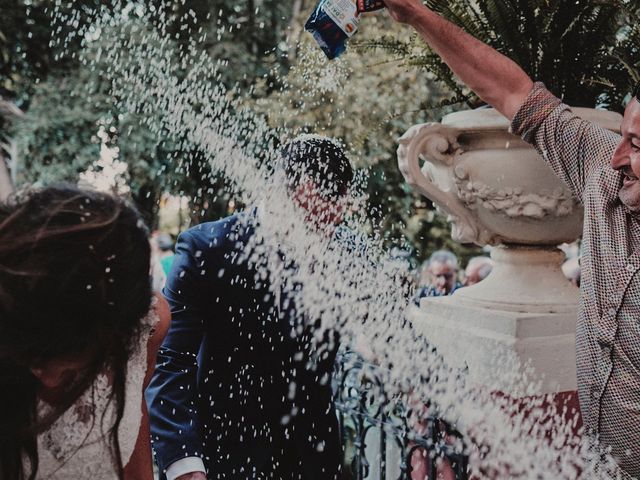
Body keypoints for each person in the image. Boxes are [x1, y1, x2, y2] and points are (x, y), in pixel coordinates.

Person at [382, 1, 640, 475]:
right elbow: (511, 91)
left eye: (637, 145)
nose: (618, 155)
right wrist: (416, 14)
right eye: (622, 135)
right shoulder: (603, 171)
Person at [146, 136, 353, 480]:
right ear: (292, 191)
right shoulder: (208, 248)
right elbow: (171, 363)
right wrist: (184, 465)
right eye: (318, 212)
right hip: (225, 460)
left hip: (316, 460)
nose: (329, 226)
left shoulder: (346, 252)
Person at [0, 185, 170, 480]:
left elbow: (132, 426)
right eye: (32, 357)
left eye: (62, 360)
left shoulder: (148, 328)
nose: (47, 376)